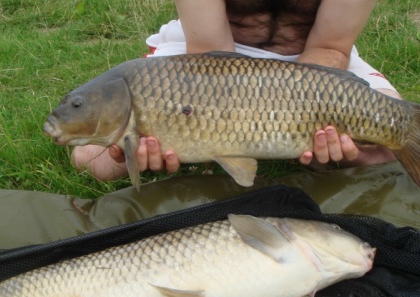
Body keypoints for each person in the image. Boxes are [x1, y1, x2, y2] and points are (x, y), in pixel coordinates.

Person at [71, 0, 399, 181]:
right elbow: (209, 52)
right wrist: (181, 130)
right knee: (96, 158)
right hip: (206, 60)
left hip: (311, 57)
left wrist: (305, 116)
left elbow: (330, 46)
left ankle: (312, 153)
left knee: (392, 143)